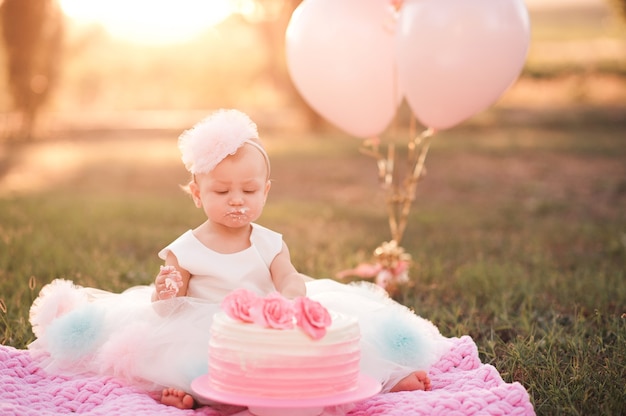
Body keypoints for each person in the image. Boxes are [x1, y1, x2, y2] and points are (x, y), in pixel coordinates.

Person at [28, 109, 450, 410]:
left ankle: (386, 378)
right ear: (197, 195)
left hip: (271, 322)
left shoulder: (269, 242)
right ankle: (201, 397)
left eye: (249, 191)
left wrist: (290, 299)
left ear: (266, 191)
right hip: (210, 328)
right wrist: (167, 287)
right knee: (192, 363)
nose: (237, 201)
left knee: (331, 351)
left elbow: (288, 278)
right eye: (221, 191)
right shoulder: (186, 248)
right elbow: (167, 298)